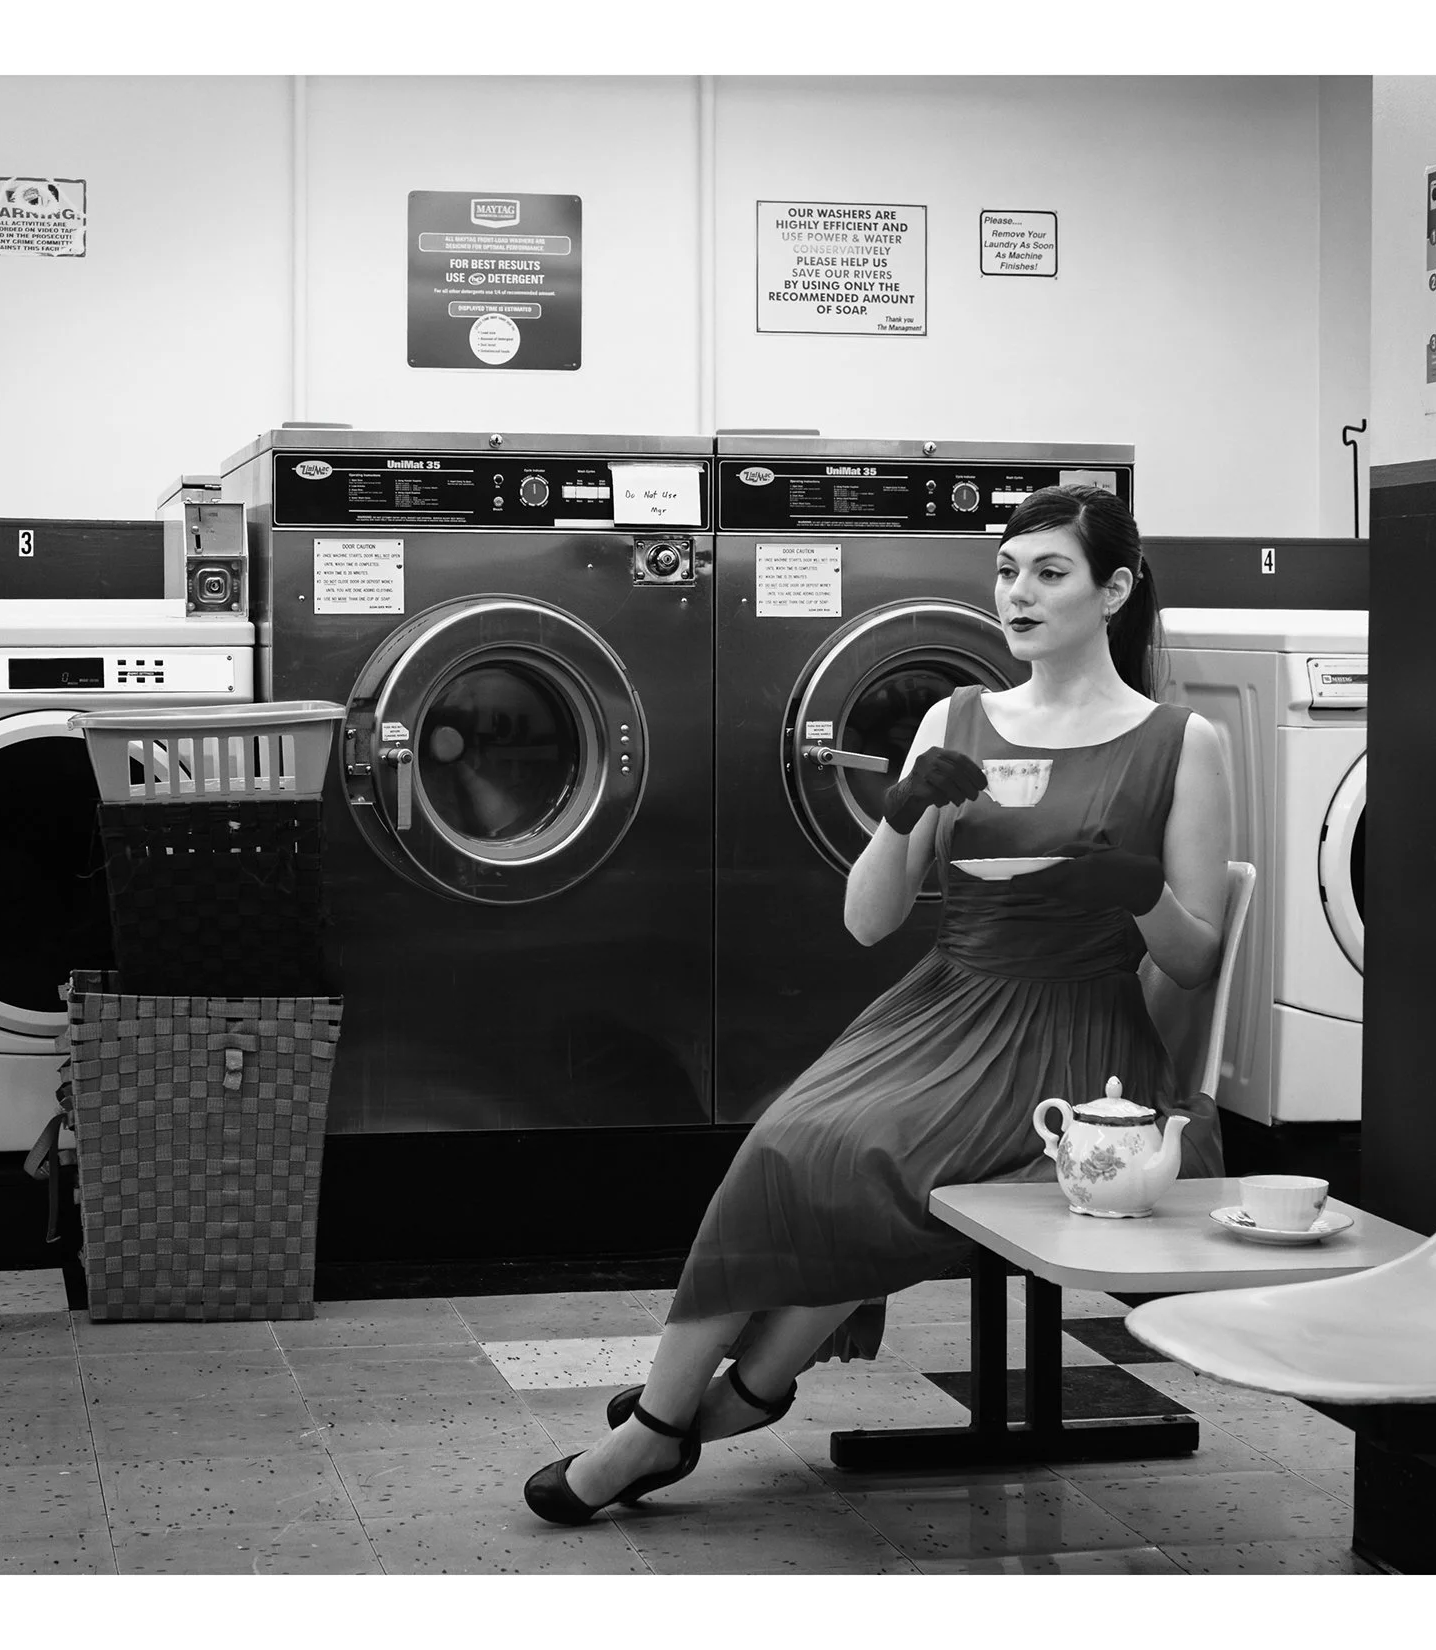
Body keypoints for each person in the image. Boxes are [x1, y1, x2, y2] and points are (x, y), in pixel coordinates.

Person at [522, 484, 1232, 1523]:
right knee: (791, 1139)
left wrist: (1138, 892)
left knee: (857, 1156)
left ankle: (663, 1428)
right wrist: (902, 819)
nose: (1018, 594)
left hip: (1077, 1040)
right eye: (1007, 570)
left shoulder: (1183, 740)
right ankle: (699, 1412)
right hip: (942, 1004)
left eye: (1050, 572)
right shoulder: (956, 718)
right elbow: (867, 920)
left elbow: (1201, 958)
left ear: (1114, 589)